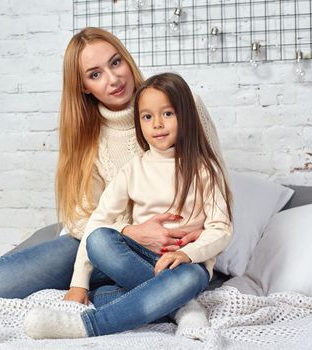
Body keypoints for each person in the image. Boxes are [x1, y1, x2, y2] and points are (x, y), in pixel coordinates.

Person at [0, 27, 225, 313]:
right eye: (95, 74)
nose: (113, 79)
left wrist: (198, 234)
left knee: (128, 279)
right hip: (110, 246)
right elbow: (82, 218)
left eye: (116, 62)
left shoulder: (185, 105)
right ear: (83, 86)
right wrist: (130, 232)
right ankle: (172, 299)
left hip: (173, 249)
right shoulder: (86, 136)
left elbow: (216, 186)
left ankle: (158, 296)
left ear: (127, 60)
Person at [24, 72, 233, 338]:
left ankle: (87, 326)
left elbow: (221, 228)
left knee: (188, 279)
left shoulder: (205, 168)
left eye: (167, 114)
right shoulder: (134, 169)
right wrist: (79, 283)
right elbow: (99, 220)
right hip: (140, 258)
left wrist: (187, 254)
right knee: (99, 239)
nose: (157, 124)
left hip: (185, 266)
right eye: (147, 117)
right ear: (139, 123)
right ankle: (183, 306)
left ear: (186, 116)